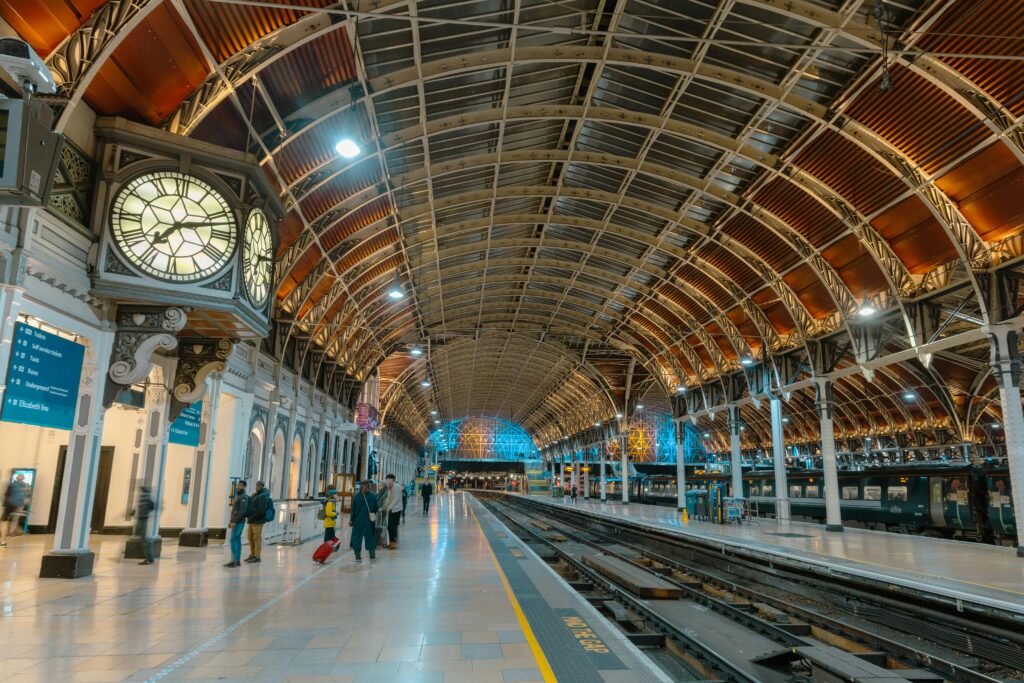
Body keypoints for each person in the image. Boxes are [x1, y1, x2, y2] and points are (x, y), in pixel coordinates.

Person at [349, 479, 379, 565]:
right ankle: (372, 557)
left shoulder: (357, 497)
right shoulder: (373, 496)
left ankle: (358, 557)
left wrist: (351, 520)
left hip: (358, 522)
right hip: (369, 522)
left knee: (357, 539)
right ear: (369, 486)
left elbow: (353, 511)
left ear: (361, 485)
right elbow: (376, 509)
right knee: (370, 539)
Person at [1, 473, 30, 548]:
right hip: (17, 504)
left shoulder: (11, 483)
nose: (19, 476)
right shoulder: (24, 485)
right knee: (10, 520)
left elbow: (4, 494)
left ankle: (3, 541)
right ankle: (8, 535)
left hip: (9, 504)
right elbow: (28, 495)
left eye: (21, 475)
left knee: (4, 522)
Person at [245, 480, 270, 563]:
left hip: (258, 521)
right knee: (250, 537)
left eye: (258, 486)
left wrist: (254, 515)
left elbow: (261, 509)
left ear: (262, 486)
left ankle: (257, 555)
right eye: (256, 486)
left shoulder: (263, 496)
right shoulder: (256, 494)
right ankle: (252, 554)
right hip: (252, 520)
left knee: (256, 538)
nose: (256, 487)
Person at [225, 480, 249, 568]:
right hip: (236, 521)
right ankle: (237, 560)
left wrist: (234, 521)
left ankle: (233, 560)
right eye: (238, 485)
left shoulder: (243, 497)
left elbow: (242, 511)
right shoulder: (239, 496)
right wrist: (231, 521)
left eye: (240, 485)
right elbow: (235, 511)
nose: (238, 487)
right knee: (237, 540)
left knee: (233, 539)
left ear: (244, 487)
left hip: (239, 522)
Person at [134, 485, 156, 565]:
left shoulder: (145, 497)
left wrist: (145, 513)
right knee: (143, 538)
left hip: (143, 519)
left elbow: (152, 506)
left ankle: (149, 558)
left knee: (145, 539)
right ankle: (150, 558)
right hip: (142, 518)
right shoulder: (144, 497)